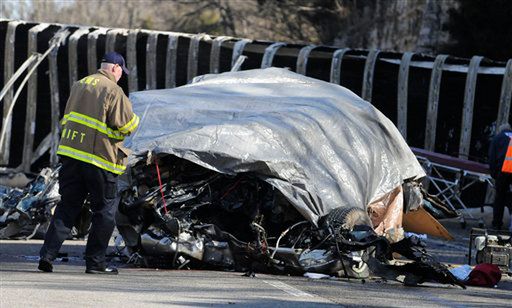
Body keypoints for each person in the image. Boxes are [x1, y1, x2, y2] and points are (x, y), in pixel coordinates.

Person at [38, 52, 139, 274]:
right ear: (115, 68)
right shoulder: (113, 90)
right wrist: (136, 119)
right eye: (122, 71)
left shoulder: (79, 84)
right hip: (99, 160)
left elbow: (67, 119)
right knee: (104, 212)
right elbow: (127, 126)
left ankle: (47, 256)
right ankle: (95, 263)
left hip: (72, 157)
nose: (122, 76)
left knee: (67, 207)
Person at [488, 123, 512, 230]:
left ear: (500, 130)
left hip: (503, 171)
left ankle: (497, 223)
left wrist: (493, 174)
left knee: (500, 197)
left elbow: (492, 158)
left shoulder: (498, 138)